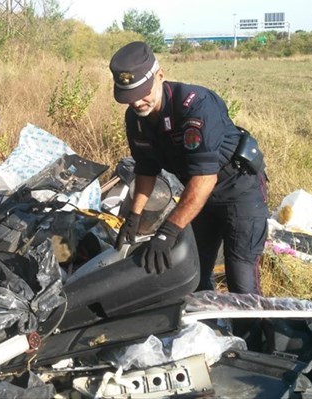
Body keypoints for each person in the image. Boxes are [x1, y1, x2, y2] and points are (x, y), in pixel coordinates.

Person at [109, 41, 268, 296]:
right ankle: (210, 331)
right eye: (130, 97)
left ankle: (256, 335)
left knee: (241, 278)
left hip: (237, 189)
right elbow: (146, 169)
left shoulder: (195, 106)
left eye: (143, 92)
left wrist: (167, 231)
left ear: (160, 76)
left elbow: (205, 178)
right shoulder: (136, 120)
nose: (138, 102)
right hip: (198, 197)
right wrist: (134, 216)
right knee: (194, 272)